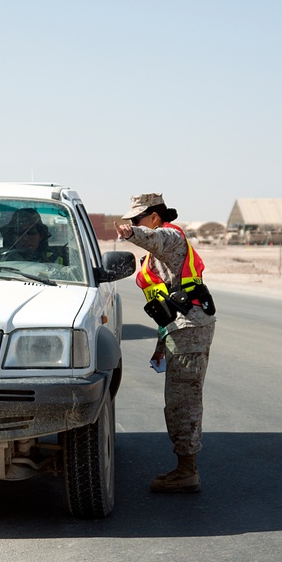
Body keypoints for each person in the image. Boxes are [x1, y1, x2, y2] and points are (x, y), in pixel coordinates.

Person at [114, 193, 215, 493]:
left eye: (137, 218)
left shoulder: (169, 236)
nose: (133, 223)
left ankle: (187, 471)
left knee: (183, 400)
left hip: (189, 327)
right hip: (177, 327)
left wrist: (133, 233)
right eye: (131, 220)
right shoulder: (158, 253)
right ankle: (186, 468)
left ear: (154, 218)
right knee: (179, 398)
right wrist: (162, 340)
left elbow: (156, 239)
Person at [0, 208, 67, 265]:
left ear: (41, 235)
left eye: (31, 232)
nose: (25, 237)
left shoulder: (58, 258)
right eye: (19, 232)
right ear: (12, 236)